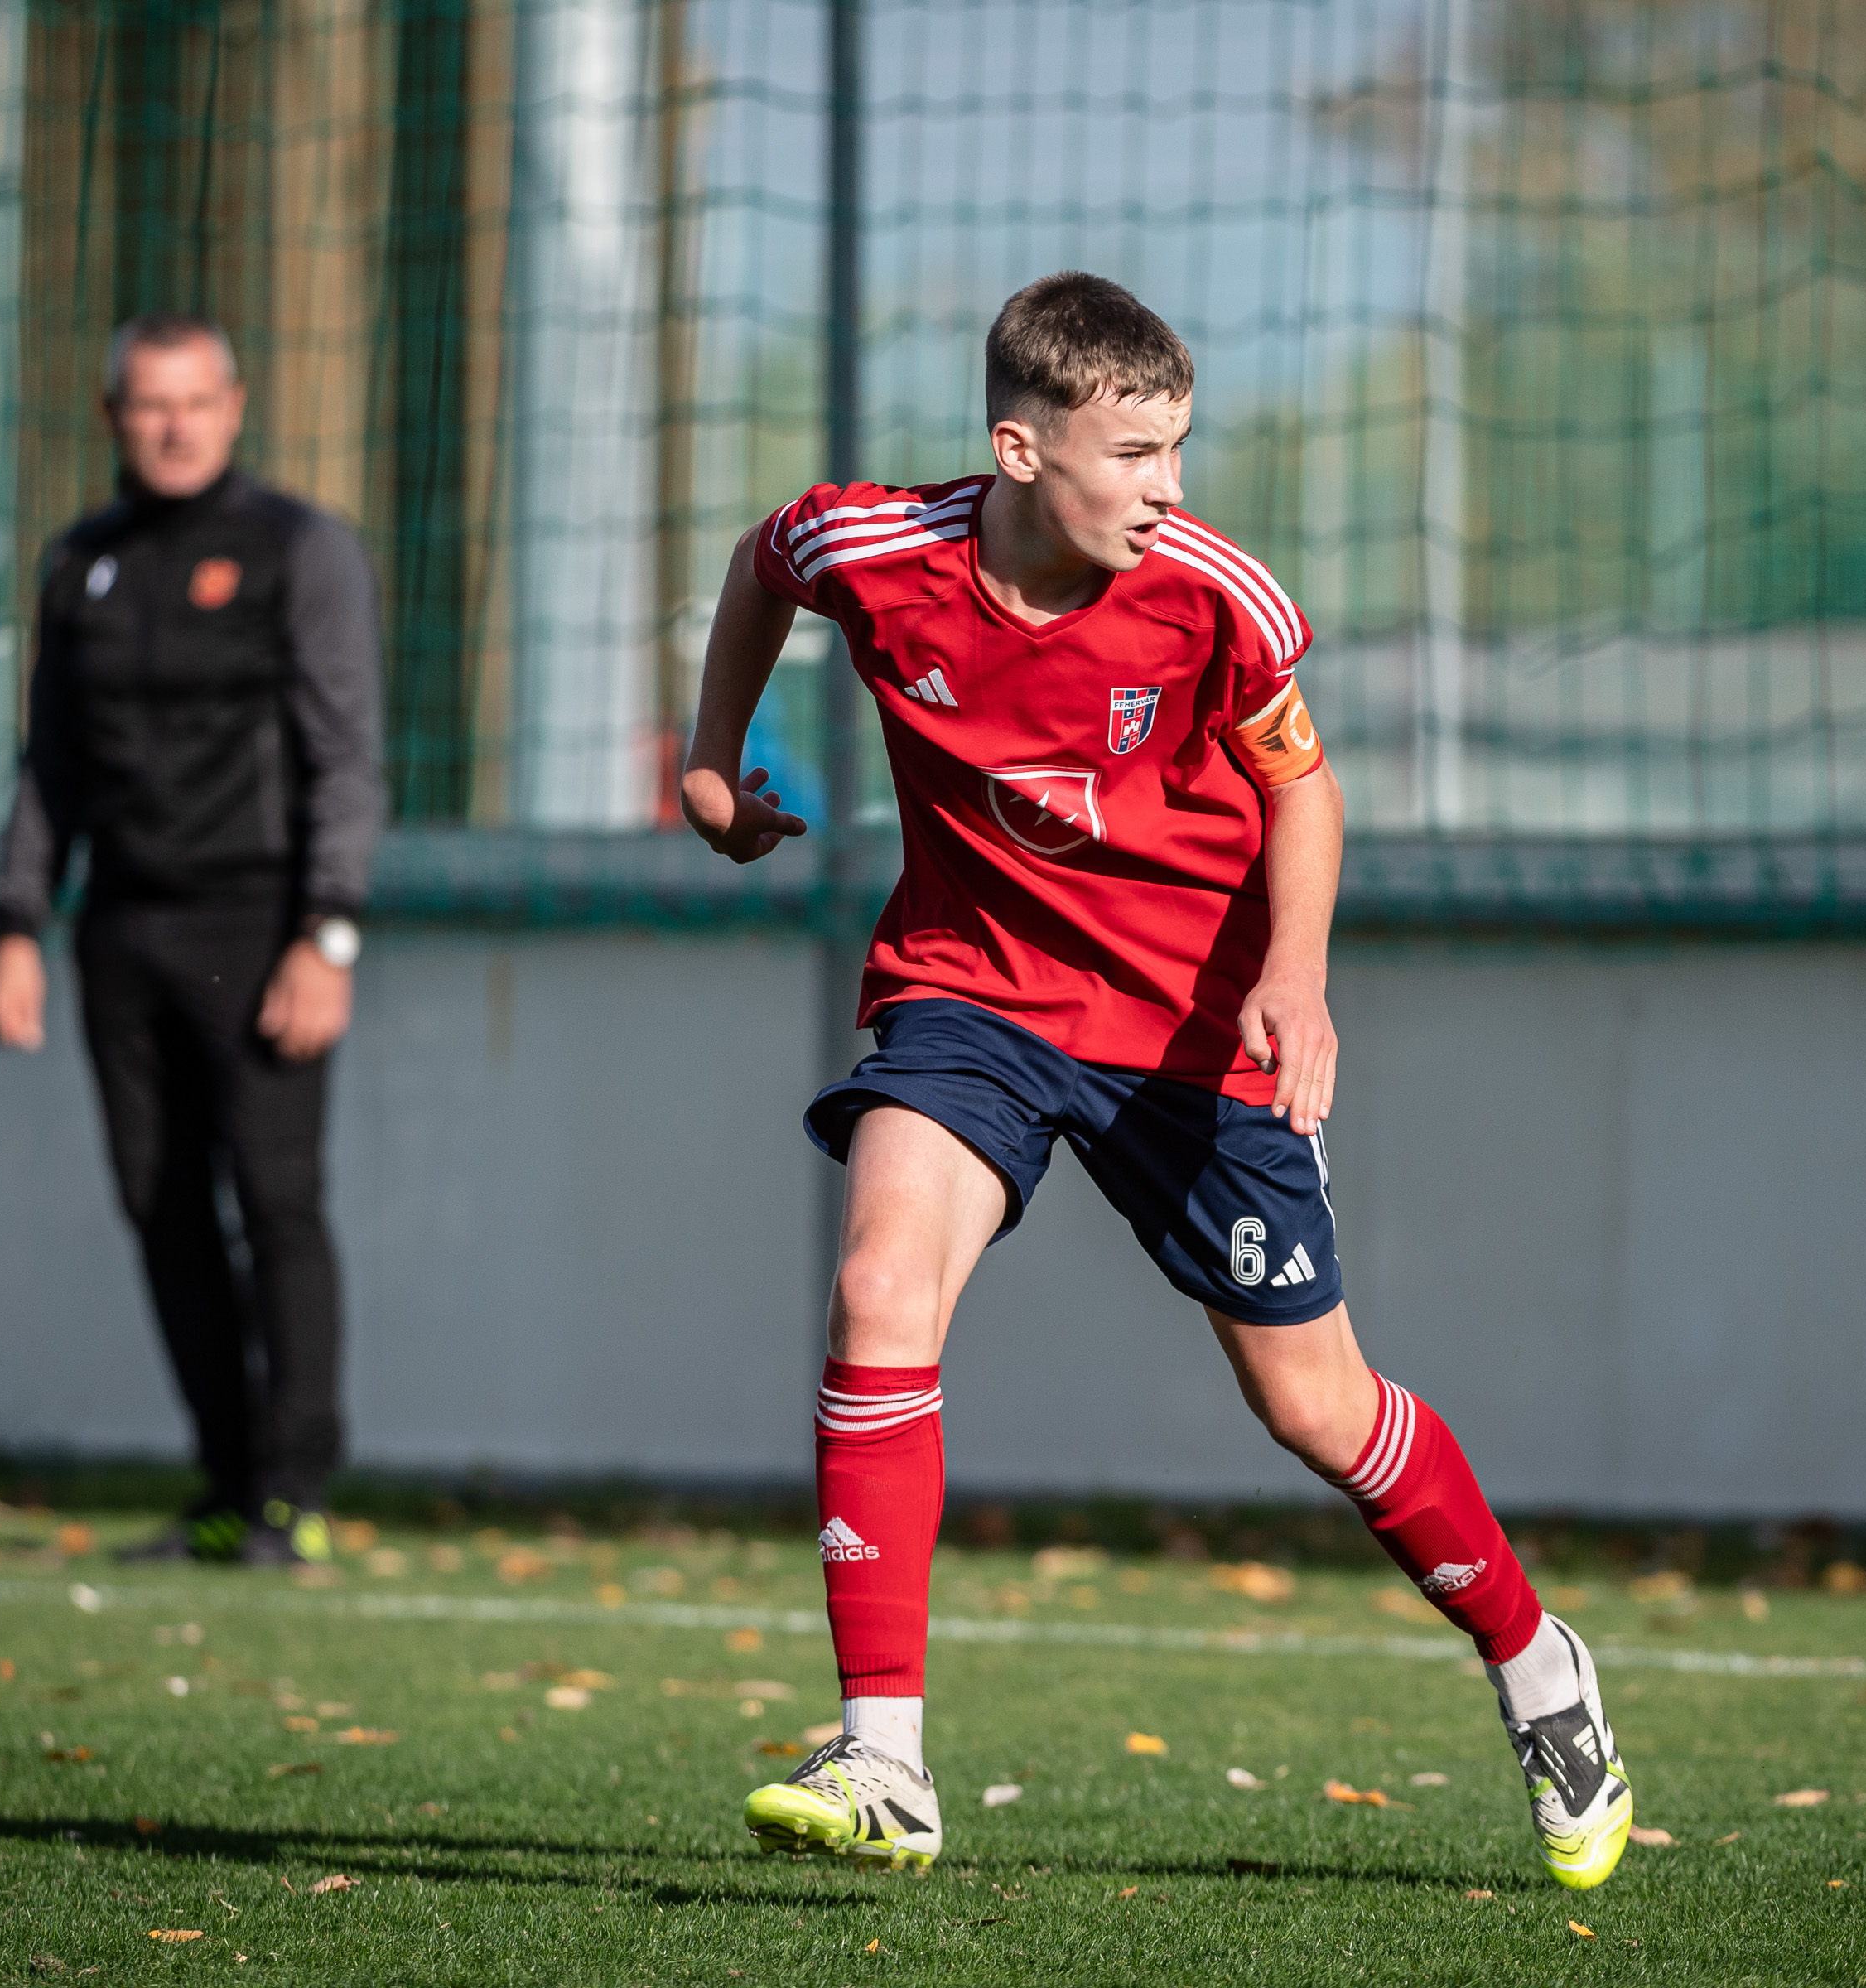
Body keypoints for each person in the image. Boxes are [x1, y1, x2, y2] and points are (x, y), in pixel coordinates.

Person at [678, 273, 1632, 1890]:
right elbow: (764, 564)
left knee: (1314, 1406)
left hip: (1193, 1032)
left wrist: (1295, 977)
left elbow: (1304, 789)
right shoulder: (876, 547)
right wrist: (712, 762)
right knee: (879, 1289)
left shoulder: (1214, 594)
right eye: (1134, 453)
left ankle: (1541, 1667)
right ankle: (885, 1758)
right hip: (973, 996)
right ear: (1021, 449)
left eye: (1179, 448)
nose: (1168, 487)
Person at [0, 312, 384, 1568]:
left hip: (260, 925)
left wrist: (328, 932)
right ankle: (224, 1482)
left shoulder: (297, 548)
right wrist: (16, 922)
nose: (174, 427)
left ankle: (293, 1493)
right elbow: (50, 763)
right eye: (150, 404)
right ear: (113, 417)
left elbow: (347, 756)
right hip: (120, 928)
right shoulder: (81, 562)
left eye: (195, 402)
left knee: (275, 1201)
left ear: (234, 408)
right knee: (160, 1208)